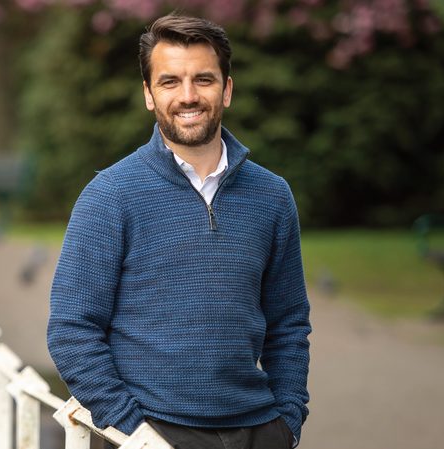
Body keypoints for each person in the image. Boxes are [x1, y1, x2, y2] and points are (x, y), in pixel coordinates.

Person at [47, 14, 311, 449]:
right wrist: (131, 430)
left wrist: (287, 420)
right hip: (150, 432)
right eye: (170, 82)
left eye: (203, 80)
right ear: (149, 95)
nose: (188, 96)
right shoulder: (109, 195)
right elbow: (72, 329)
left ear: (227, 88)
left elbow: (288, 323)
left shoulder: (272, 196)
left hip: (259, 430)